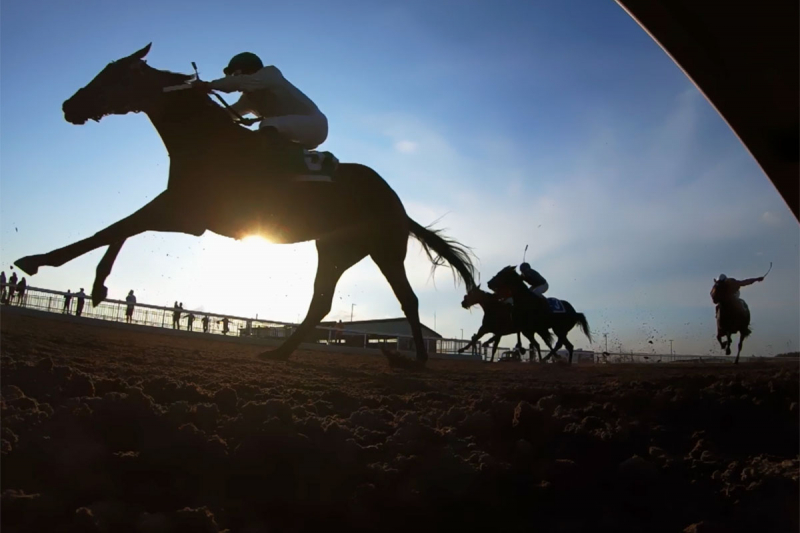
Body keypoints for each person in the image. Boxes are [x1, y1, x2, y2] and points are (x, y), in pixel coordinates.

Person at [194, 52, 328, 152]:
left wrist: (208, 85)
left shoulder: (271, 74)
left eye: (234, 74)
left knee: (268, 124)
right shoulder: (249, 99)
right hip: (295, 131)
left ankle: (272, 166)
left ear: (245, 70)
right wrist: (206, 106)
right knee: (251, 138)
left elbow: (238, 82)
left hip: (315, 125)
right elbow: (229, 114)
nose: (233, 77)